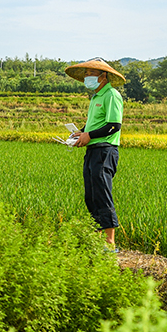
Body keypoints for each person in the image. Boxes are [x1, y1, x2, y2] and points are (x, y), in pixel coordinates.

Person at [64, 58, 125, 251]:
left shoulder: (112, 95)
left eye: (90, 73)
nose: (87, 77)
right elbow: (95, 123)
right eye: (86, 73)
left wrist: (90, 135)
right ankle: (96, 237)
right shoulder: (96, 98)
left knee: (102, 194)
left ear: (103, 75)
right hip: (92, 150)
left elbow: (114, 126)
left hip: (105, 150)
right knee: (90, 195)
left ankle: (110, 242)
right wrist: (82, 132)